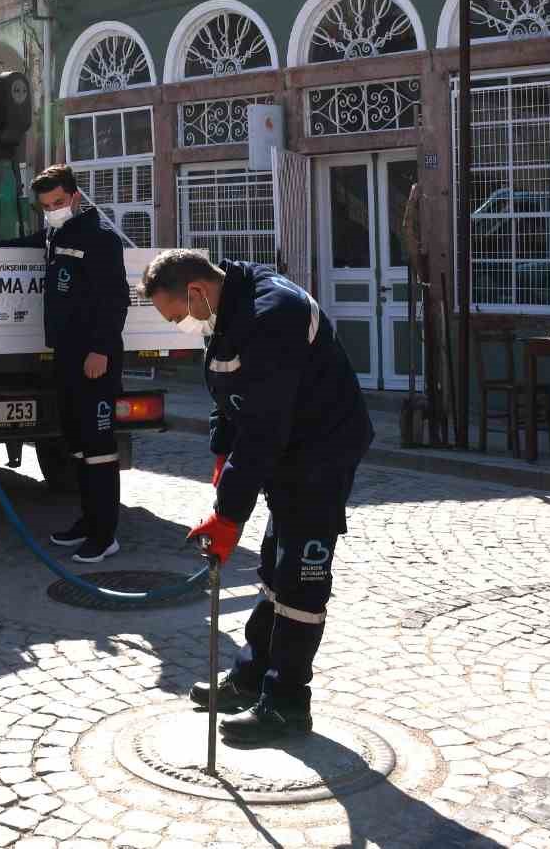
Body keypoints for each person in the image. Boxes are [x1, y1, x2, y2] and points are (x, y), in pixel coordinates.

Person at [141, 250, 373, 745]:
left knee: (300, 579)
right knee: (273, 566)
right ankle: (251, 677)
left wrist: (228, 516)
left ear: (198, 292)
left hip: (321, 451)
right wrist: (221, 456)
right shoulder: (227, 313)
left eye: (176, 314)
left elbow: (264, 428)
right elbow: (229, 394)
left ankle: (288, 703)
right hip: (285, 452)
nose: (180, 325)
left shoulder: (274, 314)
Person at [0, 165, 131, 562]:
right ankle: (87, 522)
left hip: (94, 359)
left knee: (100, 449)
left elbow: (114, 298)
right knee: (79, 447)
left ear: (74, 197)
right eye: (45, 206)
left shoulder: (100, 239)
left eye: (57, 203)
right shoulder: (57, 235)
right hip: (68, 357)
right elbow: (28, 241)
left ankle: (105, 535)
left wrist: (101, 351)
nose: (51, 210)